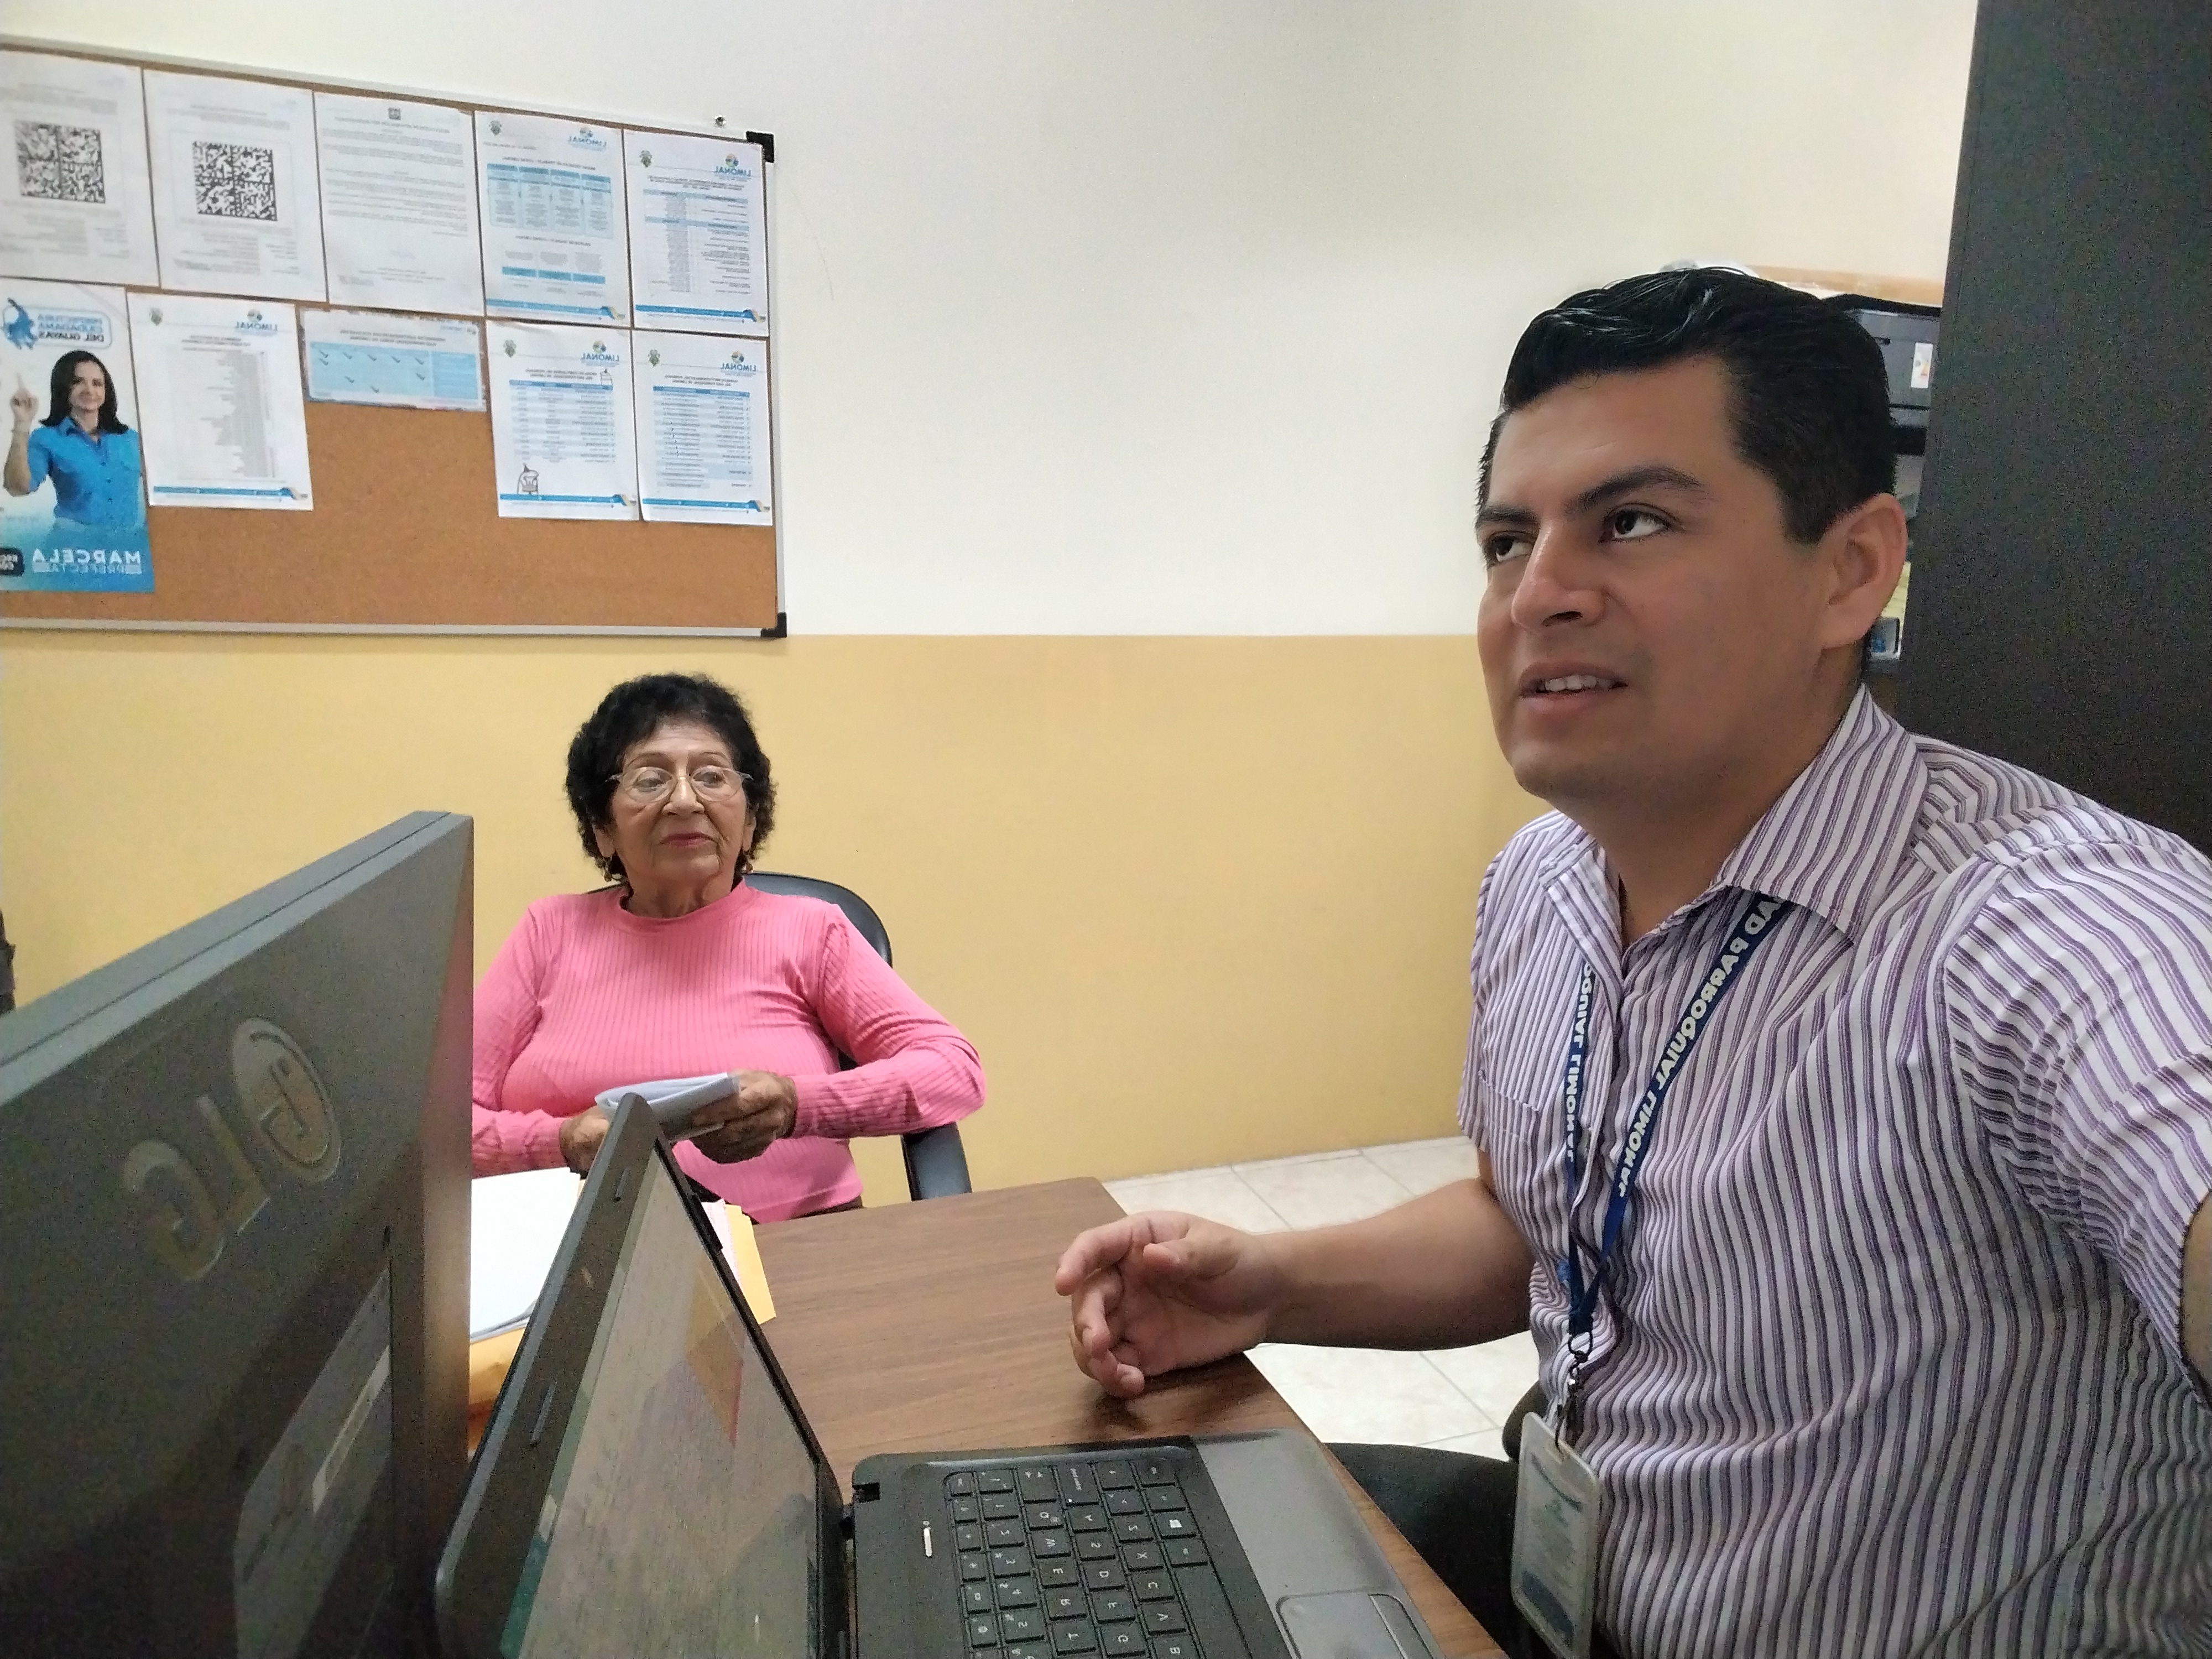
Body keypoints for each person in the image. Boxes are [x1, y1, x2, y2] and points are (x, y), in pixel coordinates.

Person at [1057, 269, 2212, 1657]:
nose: (1537, 595)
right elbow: (1537, 1220)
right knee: (1112, 1556)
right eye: (1506, 541)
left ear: (1850, 570)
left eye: (1632, 522)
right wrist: (1272, 1282)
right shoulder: (1539, 881)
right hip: (1588, 1586)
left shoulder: (2042, 920)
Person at [473, 671, 985, 1220]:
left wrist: (797, 1105)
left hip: (794, 1239)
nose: (684, 801)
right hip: (576, 1244)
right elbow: (440, 1123)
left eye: (712, 776)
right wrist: (562, 1144)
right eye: (650, 780)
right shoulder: (549, 931)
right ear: (603, 828)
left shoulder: (810, 930)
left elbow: (952, 1070)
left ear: (749, 823)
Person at [4, 351, 147, 533]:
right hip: (72, 544)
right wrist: (22, 424)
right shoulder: (47, 438)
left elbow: (156, 491)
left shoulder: (131, 439)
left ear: (107, 391)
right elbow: (18, 488)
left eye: (97, 384)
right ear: (63, 388)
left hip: (127, 547)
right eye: (78, 382)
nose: (89, 390)